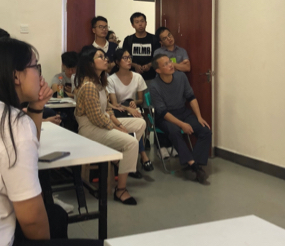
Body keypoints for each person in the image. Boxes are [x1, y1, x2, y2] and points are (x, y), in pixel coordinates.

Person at [0, 37, 127, 246]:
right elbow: (31, 218)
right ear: (15, 76)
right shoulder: (10, 122)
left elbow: (27, 150)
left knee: (57, 216)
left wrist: (36, 107)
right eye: (35, 67)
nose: (41, 74)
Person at [74, 46, 145, 205]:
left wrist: (118, 123)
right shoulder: (88, 85)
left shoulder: (99, 82)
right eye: (101, 57)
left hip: (102, 123)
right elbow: (96, 118)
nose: (106, 59)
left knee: (140, 123)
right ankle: (120, 190)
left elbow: (107, 110)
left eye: (105, 56)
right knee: (131, 143)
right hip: (90, 129)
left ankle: (119, 159)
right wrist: (117, 128)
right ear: (90, 63)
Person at [149, 54, 212, 184]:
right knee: (175, 131)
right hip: (165, 117)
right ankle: (195, 167)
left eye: (169, 62)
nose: (170, 65)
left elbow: (191, 97)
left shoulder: (181, 76)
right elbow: (163, 112)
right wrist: (182, 124)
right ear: (158, 70)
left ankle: (193, 163)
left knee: (205, 131)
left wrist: (199, 117)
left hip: (182, 112)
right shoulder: (154, 85)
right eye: (165, 64)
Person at [108, 48, 154, 174]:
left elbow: (140, 100)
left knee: (137, 118)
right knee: (135, 120)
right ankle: (143, 156)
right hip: (119, 110)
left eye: (129, 57)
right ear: (117, 62)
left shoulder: (138, 77)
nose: (129, 60)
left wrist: (135, 102)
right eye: (125, 58)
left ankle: (134, 159)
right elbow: (114, 103)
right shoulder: (111, 79)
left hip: (133, 108)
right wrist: (128, 108)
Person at [122, 12, 160, 85]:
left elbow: (158, 57)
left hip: (151, 77)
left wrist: (149, 65)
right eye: (137, 22)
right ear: (133, 25)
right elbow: (124, 57)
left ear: (146, 23)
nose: (140, 24)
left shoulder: (154, 39)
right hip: (132, 77)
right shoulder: (128, 40)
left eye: (142, 21)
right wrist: (135, 65)